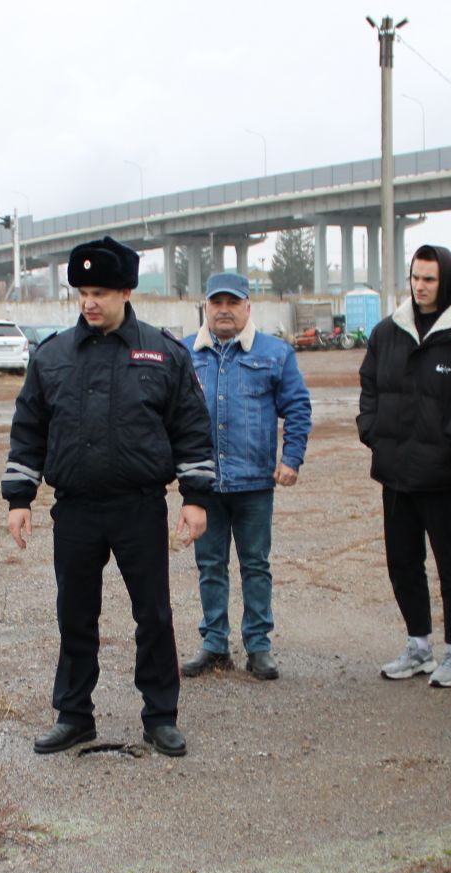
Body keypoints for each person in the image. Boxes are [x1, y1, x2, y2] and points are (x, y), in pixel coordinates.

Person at [2, 236, 213, 758]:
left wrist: (195, 496)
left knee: (154, 616)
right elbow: (29, 428)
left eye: (99, 292)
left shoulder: (163, 353)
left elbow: (190, 426)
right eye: (81, 292)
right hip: (75, 509)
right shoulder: (52, 356)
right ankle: (74, 715)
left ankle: (160, 717)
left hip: (138, 507)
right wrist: (19, 498)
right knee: (74, 615)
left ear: (125, 291)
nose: (88, 302)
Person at [357, 245, 451, 686]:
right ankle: (418, 645)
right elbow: (369, 384)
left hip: (443, 474)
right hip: (395, 471)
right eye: (416, 277)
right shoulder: (386, 331)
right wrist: (370, 427)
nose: (421, 286)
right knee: (402, 563)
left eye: (429, 279)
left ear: (446, 281)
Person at [179, 271, 311, 681]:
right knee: (210, 565)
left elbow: (298, 407)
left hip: (254, 483)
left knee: (256, 565)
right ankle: (215, 644)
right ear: (205, 307)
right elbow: (169, 414)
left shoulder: (275, 354)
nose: (223, 310)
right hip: (204, 486)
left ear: (247, 308)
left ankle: (259, 646)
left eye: (232, 303)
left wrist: (291, 458)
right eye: (216, 302)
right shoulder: (185, 354)